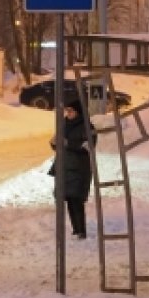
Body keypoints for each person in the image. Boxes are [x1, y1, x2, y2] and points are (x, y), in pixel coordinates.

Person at [49, 97, 96, 239]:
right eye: (67, 110)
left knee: (76, 199)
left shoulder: (87, 126)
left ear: (78, 112)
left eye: (71, 110)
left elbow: (89, 146)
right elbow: (59, 144)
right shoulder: (64, 124)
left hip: (78, 168)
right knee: (68, 198)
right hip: (64, 166)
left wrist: (68, 143)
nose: (68, 113)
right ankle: (76, 230)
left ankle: (81, 230)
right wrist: (54, 143)